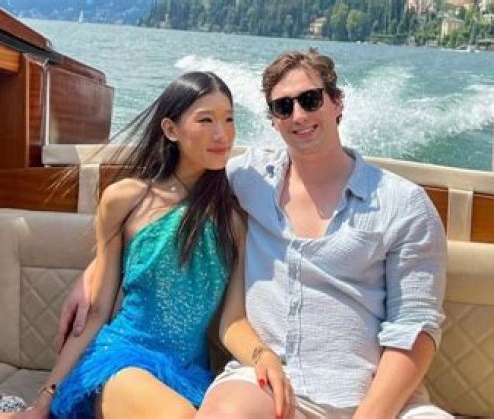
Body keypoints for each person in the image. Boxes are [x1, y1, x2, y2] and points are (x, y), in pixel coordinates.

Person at [59, 50, 449, 418]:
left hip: (372, 395)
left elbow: (414, 328)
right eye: (283, 107)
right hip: (265, 384)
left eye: (310, 99)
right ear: (273, 120)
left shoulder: (403, 204)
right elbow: (162, 209)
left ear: (337, 103)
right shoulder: (247, 180)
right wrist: (95, 270)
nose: (298, 115)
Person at [0, 71, 289, 419]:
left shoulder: (234, 218)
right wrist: (44, 400)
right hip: (122, 357)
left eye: (229, 119)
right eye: (206, 120)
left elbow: (233, 319)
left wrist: (262, 355)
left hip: (187, 374)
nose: (222, 134)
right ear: (170, 129)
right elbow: (98, 311)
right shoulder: (125, 200)